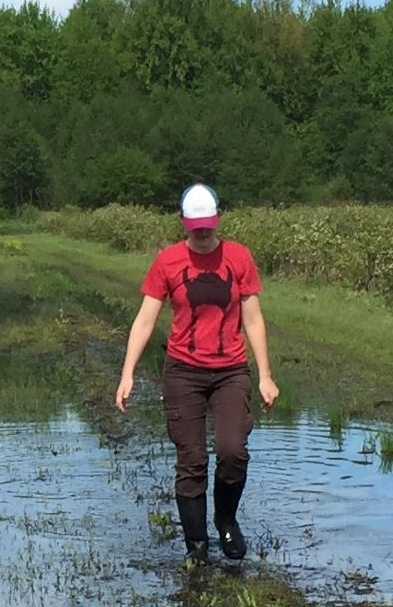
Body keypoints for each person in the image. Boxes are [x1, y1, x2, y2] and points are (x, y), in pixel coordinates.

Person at [115, 183, 278, 561]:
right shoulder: (168, 262)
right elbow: (144, 321)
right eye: (195, 225)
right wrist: (127, 373)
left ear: (218, 218)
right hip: (183, 372)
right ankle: (197, 546)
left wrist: (265, 375)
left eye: (208, 224)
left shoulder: (238, 258)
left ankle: (225, 520)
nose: (202, 232)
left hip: (230, 370)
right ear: (183, 222)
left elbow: (253, 320)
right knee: (191, 459)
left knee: (232, 450)